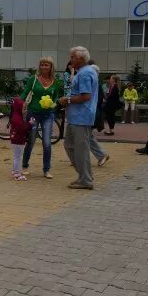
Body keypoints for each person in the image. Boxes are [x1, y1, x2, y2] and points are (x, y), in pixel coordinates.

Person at [59, 47, 99, 189]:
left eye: (73, 57)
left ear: (81, 59)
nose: (70, 60)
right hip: (76, 117)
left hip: (81, 117)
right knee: (69, 145)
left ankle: (86, 180)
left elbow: (85, 96)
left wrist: (67, 100)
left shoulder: (85, 73)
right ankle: (84, 175)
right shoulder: (84, 72)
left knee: (80, 148)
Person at [21, 57, 62, 178]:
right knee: (31, 140)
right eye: (42, 65)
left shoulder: (55, 81)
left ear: (51, 67)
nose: (44, 67)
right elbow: (25, 92)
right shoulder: (33, 79)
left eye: (46, 65)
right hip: (33, 113)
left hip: (48, 115)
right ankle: (25, 165)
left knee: (47, 142)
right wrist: (19, 102)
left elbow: (56, 97)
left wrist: (53, 104)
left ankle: (46, 169)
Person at [8, 97, 31, 181]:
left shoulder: (15, 116)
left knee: (16, 156)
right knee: (18, 156)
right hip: (18, 139)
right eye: (23, 108)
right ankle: (17, 173)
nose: (25, 110)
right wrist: (30, 124)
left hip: (15, 139)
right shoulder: (17, 118)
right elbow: (23, 129)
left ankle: (15, 171)